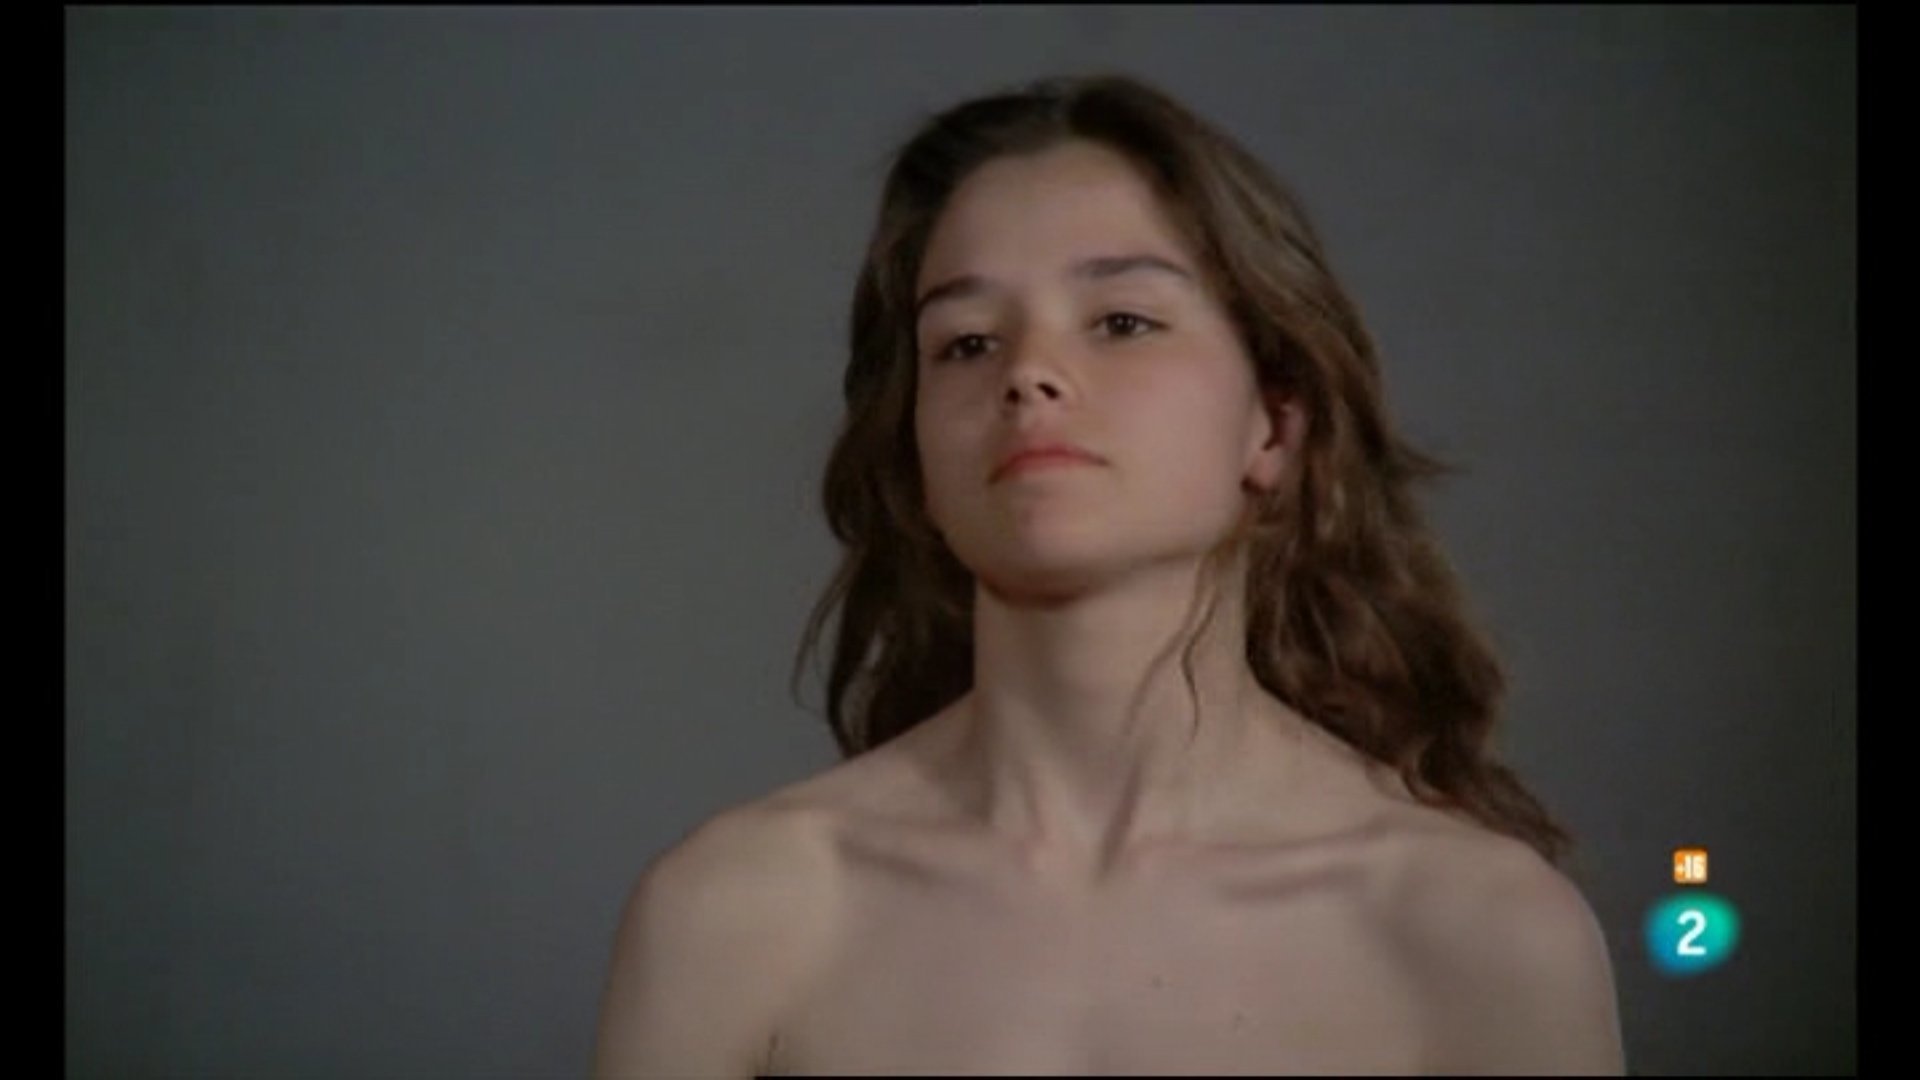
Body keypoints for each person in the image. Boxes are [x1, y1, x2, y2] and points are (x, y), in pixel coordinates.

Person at [592, 72, 1626, 1077]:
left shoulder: (1478, 934)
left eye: (1122, 322)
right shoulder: (736, 917)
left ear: (1274, 425)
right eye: (966, 342)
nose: (1028, 373)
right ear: (913, 454)